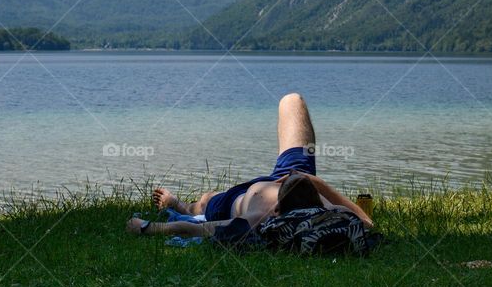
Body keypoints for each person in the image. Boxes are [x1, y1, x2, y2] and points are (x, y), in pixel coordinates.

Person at [126, 93, 373, 237]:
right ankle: (298, 180)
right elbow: (368, 224)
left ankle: (175, 202)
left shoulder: (259, 217)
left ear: (277, 211)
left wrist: (149, 227)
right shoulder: (330, 212)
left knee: (203, 202)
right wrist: (313, 182)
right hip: (291, 174)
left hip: (240, 199)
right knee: (292, 100)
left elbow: (202, 229)